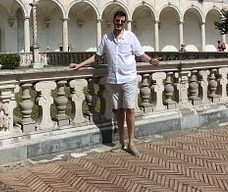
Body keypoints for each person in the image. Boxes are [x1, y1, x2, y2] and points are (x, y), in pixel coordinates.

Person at [69, 10, 160, 156]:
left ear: (125, 23)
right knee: (118, 111)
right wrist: (80, 65)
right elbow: (96, 56)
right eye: (117, 20)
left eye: (122, 21)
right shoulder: (107, 38)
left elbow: (140, 54)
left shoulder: (131, 37)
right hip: (113, 80)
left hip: (129, 79)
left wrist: (151, 61)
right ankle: (121, 141)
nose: (119, 23)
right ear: (114, 21)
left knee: (130, 110)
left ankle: (131, 143)